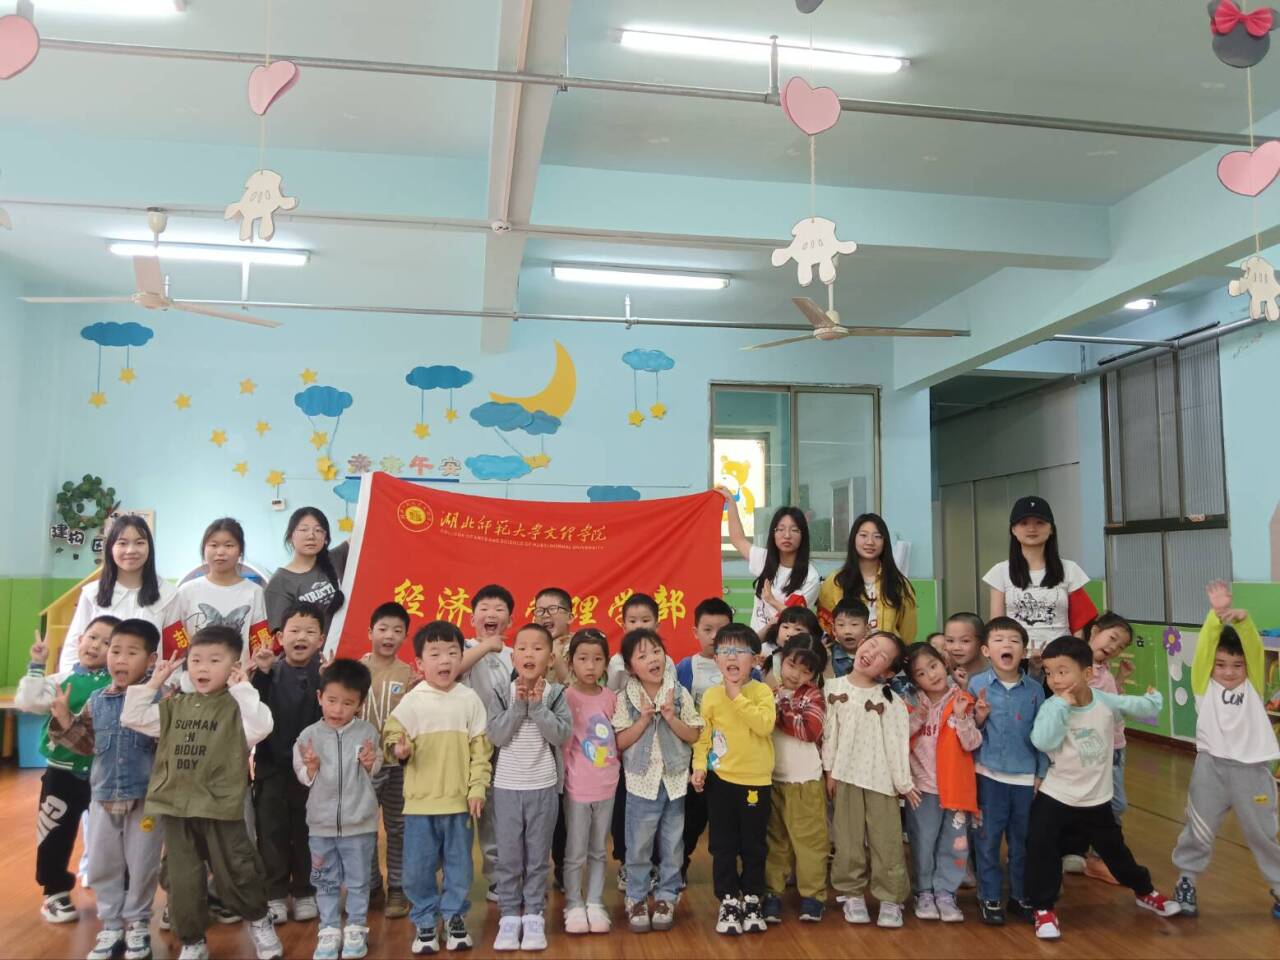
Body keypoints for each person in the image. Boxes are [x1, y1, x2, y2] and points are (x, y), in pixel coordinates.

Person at [121, 626, 282, 960]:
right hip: (177, 808)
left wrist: (243, 688)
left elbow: (263, 725)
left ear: (234, 666)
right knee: (182, 879)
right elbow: (132, 717)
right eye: (195, 660)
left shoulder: (236, 707)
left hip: (221, 808)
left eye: (214, 660)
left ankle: (258, 919)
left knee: (238, 871)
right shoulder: (175, 705)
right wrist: (153, 683)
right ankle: (193, 941)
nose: (202, 668)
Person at [1026, 635, 1180, 940]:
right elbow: (1043, 741)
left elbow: (1134, 705)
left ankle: (1144, 891)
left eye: (1063, 671)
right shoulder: (1052, 706)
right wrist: (1062, 706)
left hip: (1096, 800)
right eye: (1049, 672)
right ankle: (1043, 908)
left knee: (1115, 852)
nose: (1055, 680)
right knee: (1041, 849)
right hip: (1056, 795)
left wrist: (1154, 700)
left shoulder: (1104, 701)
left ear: (1086, 674)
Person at [48, 619, 162, 960]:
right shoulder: (97, 700)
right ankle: (111, 924)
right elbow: (86, 745)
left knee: (142, 865)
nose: (120, 659)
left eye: (131, 652)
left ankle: (138, 923)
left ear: (151, 660)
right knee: (101, 863)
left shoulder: (162, 699)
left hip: (146, 800)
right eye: (115, 651)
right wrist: (65, 719)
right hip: (103, 796)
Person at [1171, 581, 1280, 919]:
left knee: (1264, 835)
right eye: (1221, 665)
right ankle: (1186, 881)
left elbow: (1252, 648)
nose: (1229, 672)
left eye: (1237, 665)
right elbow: (1205, 648)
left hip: (1253, 772)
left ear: (1247, 667)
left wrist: (1244, 623)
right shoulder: (1203, 687)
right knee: (1198, 831)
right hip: (1211, 769)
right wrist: (1216, 616)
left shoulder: (1252, 687)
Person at [384, 620, 490, 956]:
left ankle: (455, 916)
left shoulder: (469, 700)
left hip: (459, 804)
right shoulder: (413, 701)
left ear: (461, 657)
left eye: (452, 652)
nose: (444, 660)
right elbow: (392, 735)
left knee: (460, 868)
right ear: (419, 662)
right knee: (417, 870)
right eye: (435, 653)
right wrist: (399, 749)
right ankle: (426, 920)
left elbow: (481, 751)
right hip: (419, 806)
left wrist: (477, 788)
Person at [18, 616, 115, 924]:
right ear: (79, 640)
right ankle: (54, 893)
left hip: (104, 774)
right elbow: (29, 702)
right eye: (93, 637)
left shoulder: (116, 684)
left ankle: (114, 891)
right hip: (61, 773)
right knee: (54, 834)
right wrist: (37, 665)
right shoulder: (61, 678)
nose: (97, 646)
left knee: (109, 837)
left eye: (107, 643)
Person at [486, 624, 572, 951]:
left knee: (537, 856)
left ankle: (534, 914)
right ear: (513, 656)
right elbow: (497, 736)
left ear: (550, 658)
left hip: (543, 786)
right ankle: (509, 915)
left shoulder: (557, 694)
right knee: (509, 857)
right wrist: (519, 707)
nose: (529, 654)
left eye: (537, 648)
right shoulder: (500, 692)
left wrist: (536, 708)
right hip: (507, 788)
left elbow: (560, 735)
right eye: (522, 648)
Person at [613, 628, 702, 933]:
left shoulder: (678, 693)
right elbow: (620, 741)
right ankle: (636, 897)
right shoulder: (625, 698)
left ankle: (667, 896)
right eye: (642, 656)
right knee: (638, 845)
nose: (652, 659)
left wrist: (671, 718)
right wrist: (643, 719)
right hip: (641, 782)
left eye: (656, 651)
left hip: (674, 781)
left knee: (673, 844)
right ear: (630, 667)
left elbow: (694, 734)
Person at [821, 630, 913, 928]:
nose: (872, 653)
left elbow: (897, 744)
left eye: (882, 655)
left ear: (888, 672)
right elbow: (829, 734)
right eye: (871, 645)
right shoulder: (831, 688)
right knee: (847, 839)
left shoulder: (892, 701)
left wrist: (902, 783)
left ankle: (891, 897)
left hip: (881, 779)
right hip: (844, 776)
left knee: (887, 841)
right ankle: (851, 893)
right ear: (861, 644)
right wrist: (830, 771)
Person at [691, 622, 776, 936]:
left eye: (740, 650)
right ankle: (728, 899)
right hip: (721, 782)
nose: (731, 656)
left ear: (755, 658)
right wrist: (699, 767)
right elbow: (704, 736)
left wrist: (737, 696)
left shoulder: (762, 691)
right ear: (716, 659)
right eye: (724, 650)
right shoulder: (711, 696)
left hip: (756, 782)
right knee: (722, 844)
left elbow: (764, 725)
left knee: (753, 844)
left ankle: (752, 897)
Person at [294, 659, 382, 960]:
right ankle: (329, 929)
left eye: (348, 703)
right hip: (320, 825)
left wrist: (371, 763)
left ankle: (356, 927)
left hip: (360, 823)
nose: (338, 709)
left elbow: (375, 768)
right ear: (319, 697)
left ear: (360, 704)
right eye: (332, 700)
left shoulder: (367, 732)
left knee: (359, 880)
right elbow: (302, 775)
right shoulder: (308, 735)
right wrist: (311, 768)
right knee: (325, 880)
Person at [968, 616, 1047, 926]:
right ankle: (989, 895)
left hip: (1025, 778)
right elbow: (968, 732)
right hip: (988, 775)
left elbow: (1042, 735)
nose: (1007, 645)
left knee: (1022, 841)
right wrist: (979, 718)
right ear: (986, 650)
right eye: (999, 640)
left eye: (1014, 641)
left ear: (1023, 652)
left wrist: (1041, 773)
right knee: (987, 840)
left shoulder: (1035, 690)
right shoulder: (977, 685)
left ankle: (1020, 895)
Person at [251, 601, 326, 924]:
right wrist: (262, 674)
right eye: (294, 630)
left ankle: (305, 891)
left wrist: (326, 680)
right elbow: (254, 711)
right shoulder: (268, 671)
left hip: (311, 770)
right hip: (271, 767)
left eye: (310, 632)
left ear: (321, 640)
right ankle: (275, 894)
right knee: (272, 832)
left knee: (307, 831)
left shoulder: (324, 673)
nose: (301, 637)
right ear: (280, 637)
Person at [904, 643, 982, 923]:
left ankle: (946, 892)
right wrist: (919, 716)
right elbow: (899, 738)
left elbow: (972, 742)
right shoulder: (910, 703)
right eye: (921, 673)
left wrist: (961, 717)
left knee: (955, 843)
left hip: (955, 788)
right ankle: (924, 892)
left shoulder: (961, 698)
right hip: (921, 789)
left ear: (944, 663)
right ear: (915, 681)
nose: (932, 675)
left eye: (934, 666)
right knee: (922, 841)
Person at [762, 634, 829, 925]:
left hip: (805, 780)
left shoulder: (813, 696)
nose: (795, 674)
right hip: (772, 778)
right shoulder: (767, 691)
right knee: (774, 840)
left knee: (810, 842)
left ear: (814, 675)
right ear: (781, 659)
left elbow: (809, 730)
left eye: (805, 671)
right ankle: (771, 893)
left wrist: (777, 709)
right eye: (791, 664)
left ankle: (813, 896)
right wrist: (775, 705)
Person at [59, 514, 177, 672]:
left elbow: (175, 650)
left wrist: (168, 683)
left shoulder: (168, 594)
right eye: (122, 543)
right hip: (97, 685)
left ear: (149, 547)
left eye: (139, 543)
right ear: (110, 548)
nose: (131, 550)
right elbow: (73, 647)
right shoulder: (92, 593)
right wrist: (71, 681)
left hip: (151, 684)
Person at [457, 583, 515, 899]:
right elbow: (454, 667)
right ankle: (455, 880)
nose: (491, 614)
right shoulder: (463, 646)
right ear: (472, 618)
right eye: (484, 609)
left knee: (495, 813)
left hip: (505, 743)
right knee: (460, 812)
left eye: (499, 609)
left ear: (510, 620)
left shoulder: (515, 654)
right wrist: (486, 646)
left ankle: (498, 876)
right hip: (467, 744)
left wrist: (499, 647)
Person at [560, 629, 620, 935]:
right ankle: (573, 903)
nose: (590, 665)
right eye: (583, 658)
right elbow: (562, 743)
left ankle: (595, 901)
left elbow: (617, 737)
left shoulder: (611, 698)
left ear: (606, 663)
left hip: (607, 785)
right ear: (571, 662)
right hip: (577, 787)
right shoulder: (566, 697)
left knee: (598, 849)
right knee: (575, 851)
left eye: (597, 659)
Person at [984, 497, 1095, 657]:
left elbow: (1079, 622)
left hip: (1061, 657)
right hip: (1017, 658)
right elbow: (997, 625)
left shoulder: (1070, 569)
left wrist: (1077, 656)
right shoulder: (999, 571)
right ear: (1013, 530)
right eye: (1024, 523)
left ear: (1051, 529)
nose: (1032, 528)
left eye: (1040, 523)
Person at [360, 601, 416, 919]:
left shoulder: (409, 674)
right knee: (364, 827)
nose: (389, 636)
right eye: (382, 629)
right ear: (370, 632)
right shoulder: (355, 670)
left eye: (397, 630)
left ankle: (397, 886)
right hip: (363, 765)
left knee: (398, 828)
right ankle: (370, 885)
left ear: (405, 637)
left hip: (397, 766)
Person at [606, 592, 664, 894]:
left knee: (656, 810)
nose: (639, 625)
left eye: (646, 620)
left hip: (657, 750)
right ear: (623, 624)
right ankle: (627, 864)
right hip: (626, 746)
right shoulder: (616, 663)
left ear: (657, 624)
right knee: (625, 809)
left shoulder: (664, 660)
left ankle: (654, 864)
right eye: (632, 620)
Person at [674, 596, 736, 881]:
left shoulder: (745, 667)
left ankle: (731, 875)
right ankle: (678, 865)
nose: (714, 637)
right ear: (695, 632)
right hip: (695, 758)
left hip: (733, 759)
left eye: (721, 630)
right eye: (707, 629)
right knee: (691, 816)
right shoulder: (685, 668)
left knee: (728, 820)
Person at [1074, 612, 1136, 884]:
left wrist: (1120, 678)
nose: (1114, 647)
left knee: (1105, 803)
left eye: (1120, 646)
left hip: (1117, 745)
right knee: (1115, 804)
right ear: (1094, 631)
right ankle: (1100, 857)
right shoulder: (1081, 668)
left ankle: (1095, 856)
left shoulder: (1103, 669)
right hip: (1098, 749)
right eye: (1112, 638)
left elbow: (1109, 701)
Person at [717, 487, 821, 634]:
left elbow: (794, 618)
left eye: (794, 530)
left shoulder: (810, 576)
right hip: (757, 644)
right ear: (773, 533)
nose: (787, 535)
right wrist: (731, 503)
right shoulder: (764, 559)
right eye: (781, 529)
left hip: (788, 645)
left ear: (803, 535)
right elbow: (737, 539)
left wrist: (771, 600)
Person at [169, 517, 271, 658]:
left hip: (239, 670)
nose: (220, 552)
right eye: (214, 545)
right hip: (198, 670)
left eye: (229, 545)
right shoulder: (186, 591)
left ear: (240, 550)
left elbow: (260, 640)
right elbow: (175, 638)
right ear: (204, 549)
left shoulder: (254, 591)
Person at [817, 513, 917, 643]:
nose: (870, 542)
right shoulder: (835, 581)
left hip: (885, 653)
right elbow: (825, 623)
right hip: (845, 653)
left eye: (877, 536)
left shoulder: (899, 583)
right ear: (854, 539)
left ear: (884, 542)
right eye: (863, 535)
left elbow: (908, 632)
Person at [264, 507, 347, 632]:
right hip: (310, 645)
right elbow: (281, 634)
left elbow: (366, 531)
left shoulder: (335, 558)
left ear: (325, 538)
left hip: (346, 642)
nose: (311, 536)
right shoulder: (279, 582)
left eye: (318, 530)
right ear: (291, 536)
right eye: (303, 529)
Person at [760, 605, 822, 675]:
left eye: (798, 629)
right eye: (785, 627)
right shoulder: (765, 650)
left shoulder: (813, 660)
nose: (790, 633)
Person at [822, 597, 870, 680]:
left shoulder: (874, 655)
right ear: (834, 630)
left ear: (867, 629)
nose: (847, 631)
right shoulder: (828, 654)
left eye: (854, 624)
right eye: (841, 625)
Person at [942, 612, 987, 687]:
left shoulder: (996, 675)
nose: (956, 647)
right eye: (950, 641)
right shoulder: (947, 682)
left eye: (965, 641)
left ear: (981, 641)